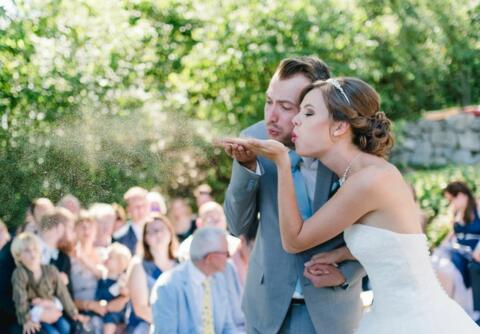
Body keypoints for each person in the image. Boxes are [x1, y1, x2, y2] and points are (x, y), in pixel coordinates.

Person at [225, 77, 480, 333]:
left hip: (413, 320)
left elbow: (294, 240)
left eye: (309, 113)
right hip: (388, 316)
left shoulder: (369, 181)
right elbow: (395, 246)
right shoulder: (359, 174)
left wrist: (281, 160)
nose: (295, 120)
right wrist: (340, 254)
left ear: (339, 127)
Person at [221, 57, 365, 334]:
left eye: (286, 107)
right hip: (265, 310)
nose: (271, 116)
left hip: (330, 312)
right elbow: (237, 225)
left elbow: (377, 233)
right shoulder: (254, 139)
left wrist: (346, 274)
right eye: (268, 101)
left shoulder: (347, 151)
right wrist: (246, 167)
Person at [150, 227, 235, 334]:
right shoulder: (168, 286)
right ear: (210, 258)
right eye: (226, 253)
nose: (229, 258)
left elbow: (227, 326)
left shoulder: (219, 278)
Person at [11, 232, 86, 334]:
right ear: (18, 256)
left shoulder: (50, 270)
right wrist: (26, 320)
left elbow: (62, 292)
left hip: (51, 307)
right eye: (27, 251)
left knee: (65, 327)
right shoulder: (20, 273)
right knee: (52, 332)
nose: (32, 254)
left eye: (35, 250)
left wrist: (73, 312)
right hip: (34, 312)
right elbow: (20, 298)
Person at [433, 181, 480, 319]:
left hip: (474, 255)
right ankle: (444, 310)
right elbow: (451, 236)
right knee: (438, 262)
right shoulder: (456, 213)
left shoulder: (477, 207)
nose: (451, 203)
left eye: (451, 200)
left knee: (445, 269)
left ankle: (446, 312)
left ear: (461, 195)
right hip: (459, 253)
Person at [126, 214, 178, 334]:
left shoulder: (181, 264)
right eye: (152, 231)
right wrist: (171, 325)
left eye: (162, 229)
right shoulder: (139, 265)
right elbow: (141, 309)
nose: (158, 234)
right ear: (145, 238)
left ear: (170, 233)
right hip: (146, 325)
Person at [95, 243, 132, 334]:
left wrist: (124, 291)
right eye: (106, 256)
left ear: (120, 263)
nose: (106, 259)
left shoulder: (121, 279)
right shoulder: (103, 276)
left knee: (111, 317)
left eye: (110, 257)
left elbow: (126, 292)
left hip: (116, 312)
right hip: (101, 307)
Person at [113, 187, 150, 255]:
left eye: (143, 205)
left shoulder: (159, 230)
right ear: (128, 209)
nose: (140, 209)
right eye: (136, 206)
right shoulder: (120, 237)